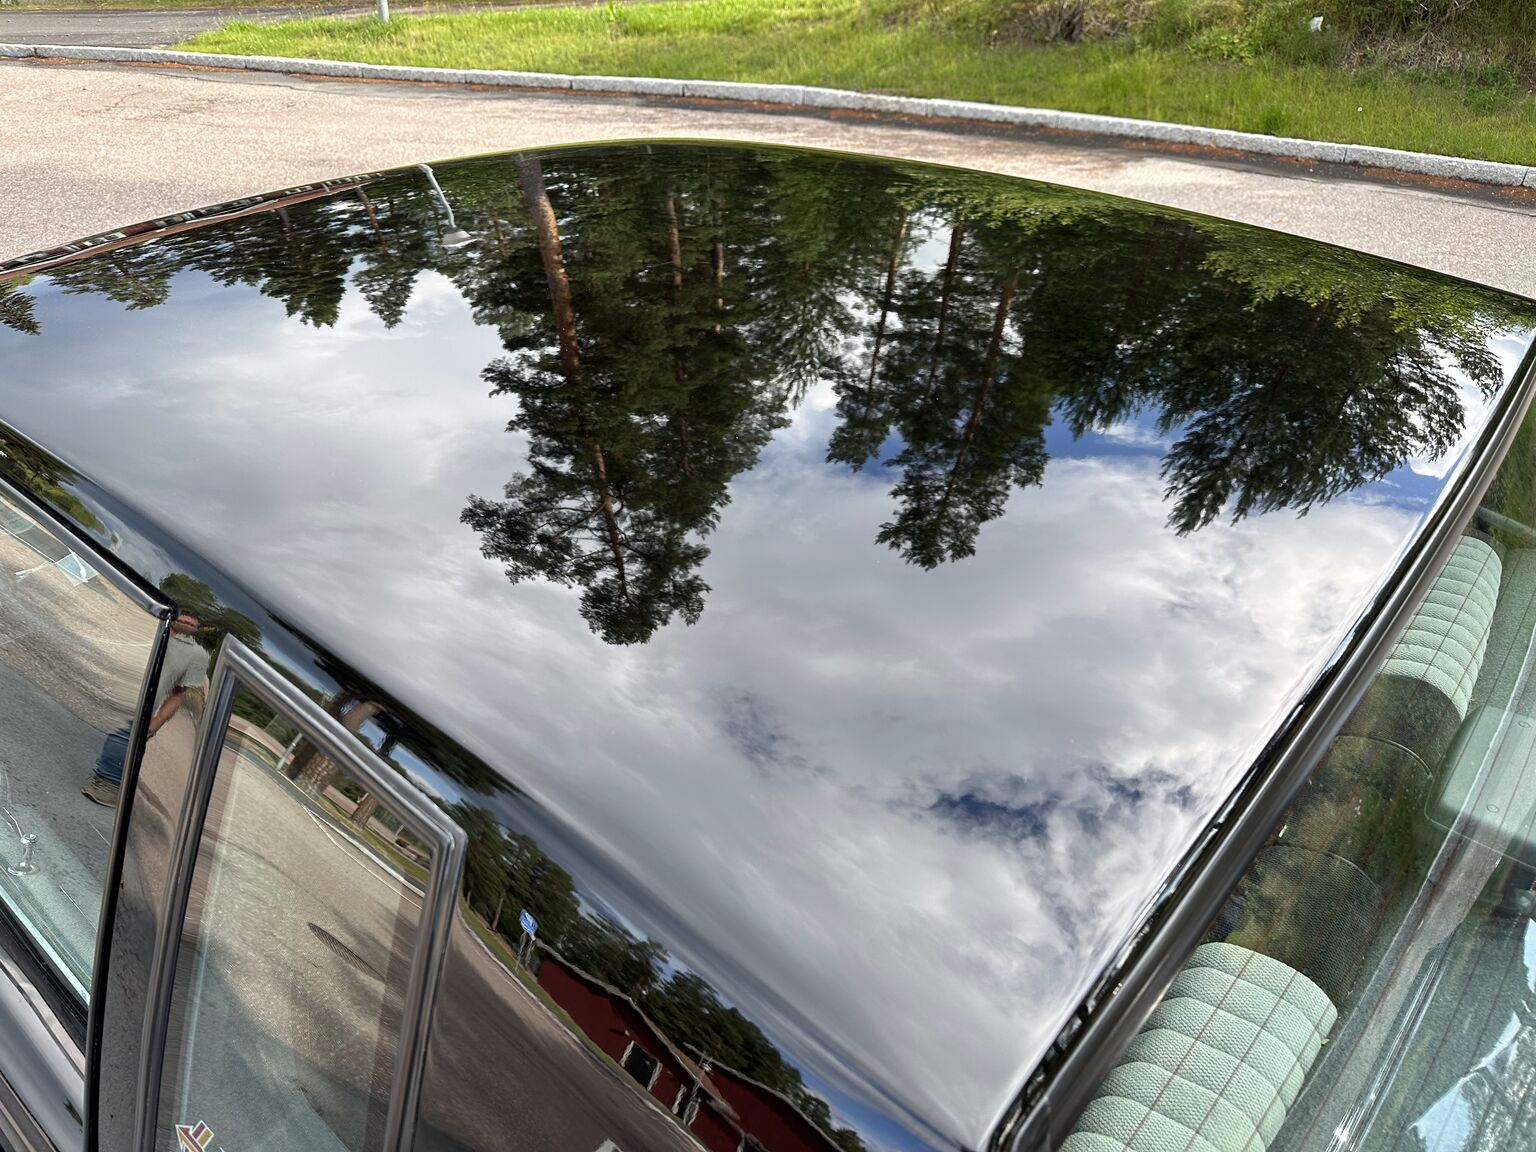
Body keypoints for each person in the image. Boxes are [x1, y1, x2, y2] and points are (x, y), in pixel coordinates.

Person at [82, 613, 207, 807]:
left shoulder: (198, 655)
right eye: (183, 615)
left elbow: (178, 694)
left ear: (198, 627)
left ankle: (109, 783)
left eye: (192, 620)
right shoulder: (150, 627)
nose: (186, 620)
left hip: (140, 708)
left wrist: (158, 721)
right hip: (118, 692)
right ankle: (106, 781)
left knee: (123, 739)